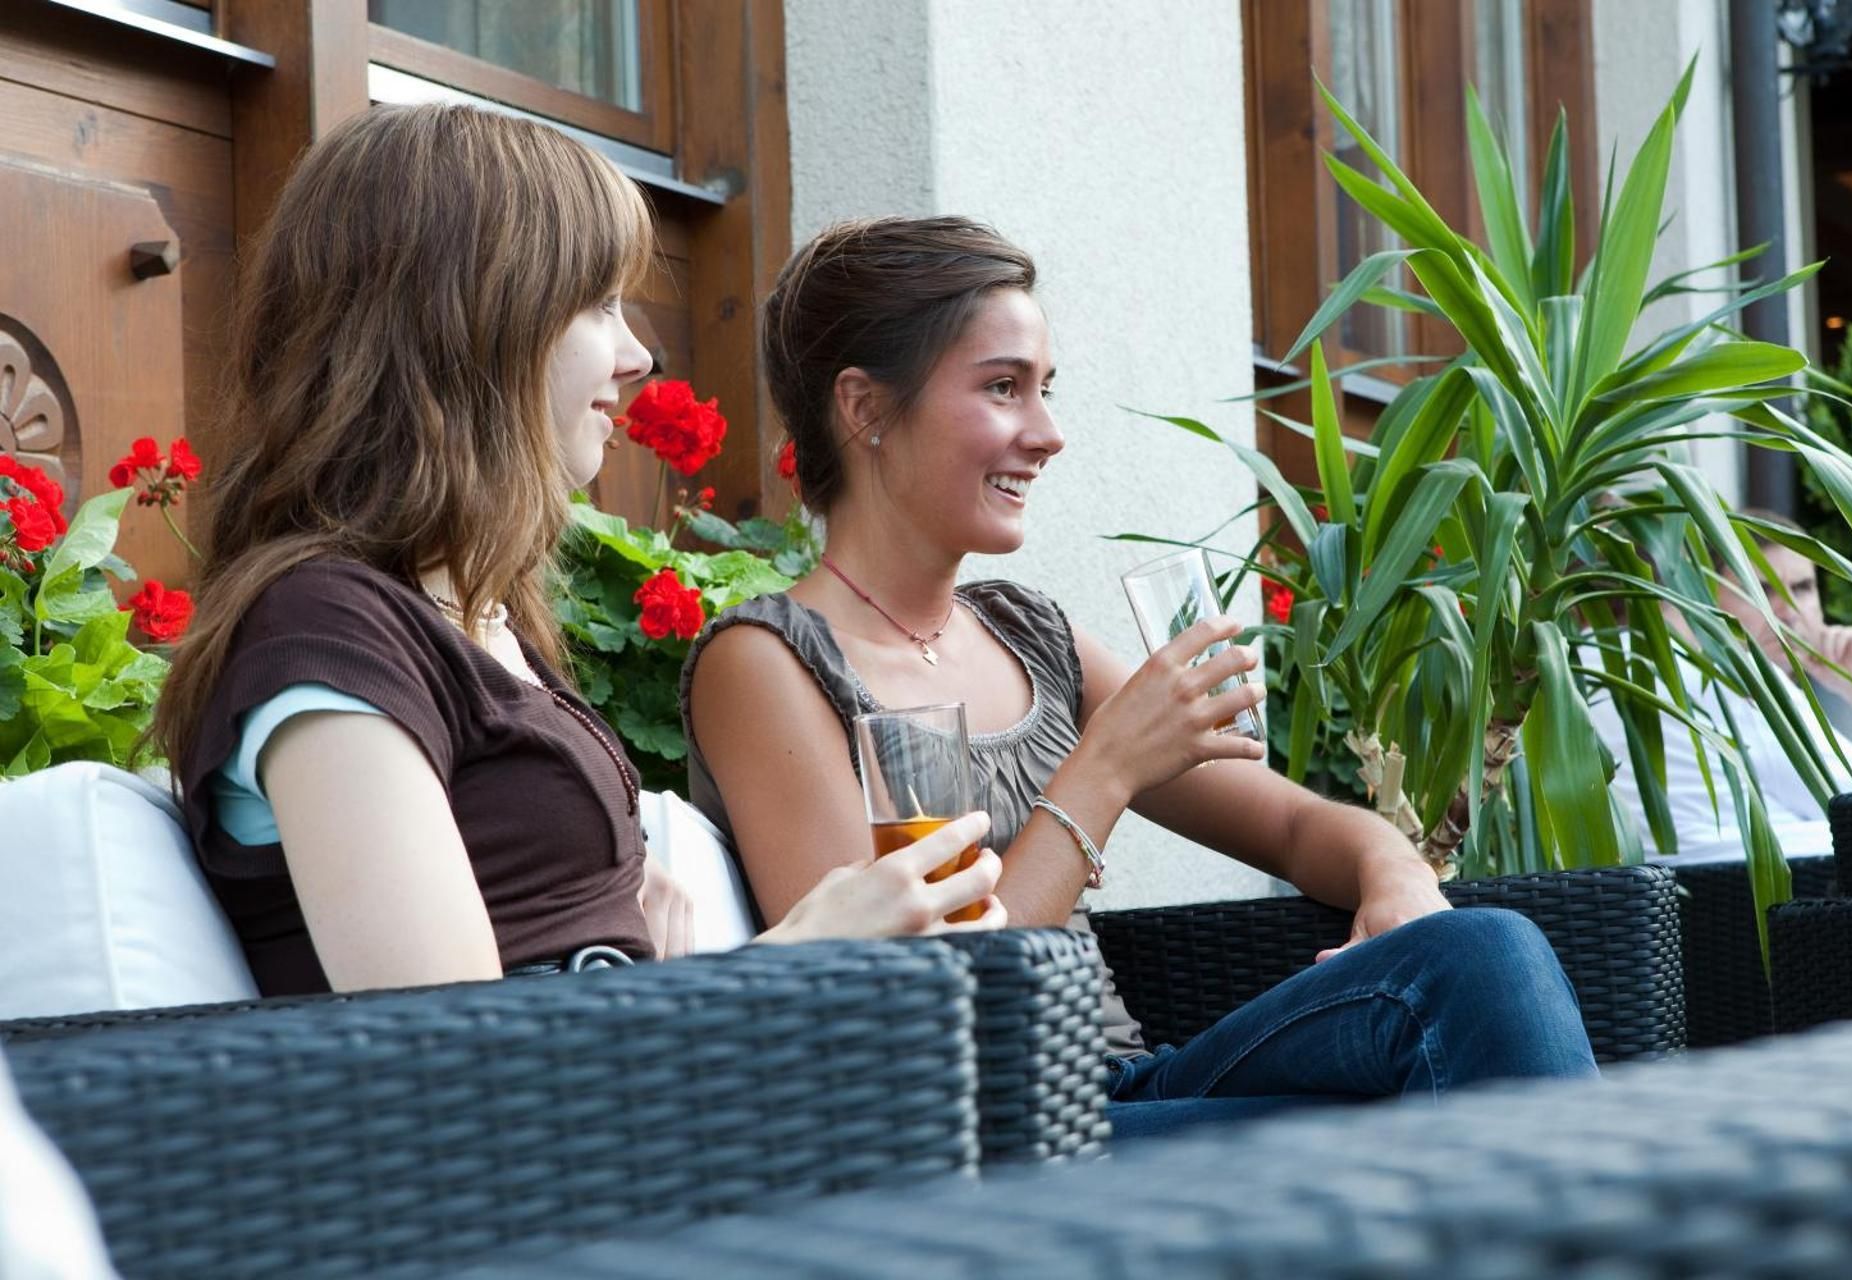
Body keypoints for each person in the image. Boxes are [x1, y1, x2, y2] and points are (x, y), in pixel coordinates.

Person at [681, 216, 1599, 1139]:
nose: (1049, 434)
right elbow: (916, 1017)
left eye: (1044, 390)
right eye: (1003, 388)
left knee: (1479, 953)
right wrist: (1107, 768)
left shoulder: (1029, 635)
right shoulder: (766, 663)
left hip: (1127, 1092)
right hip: (990, 1135)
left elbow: (1293, 824)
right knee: (1397, 1117)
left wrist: (1394, 874)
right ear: (864, 408)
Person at [151, 105, 1005, 997]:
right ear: (473, 322)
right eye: (598, 304)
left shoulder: (476, 616)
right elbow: (447, 1045)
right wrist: (799, 957)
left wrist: (626, 928)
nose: (638, 356)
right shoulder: (329, 630)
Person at [1592, 510, 1852, 863]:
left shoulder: (1597, 660)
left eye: (1802, 588)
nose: (1789, 612)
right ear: (1702, 594)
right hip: (1793, 886)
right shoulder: (1730, 679)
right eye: (1760, 590)